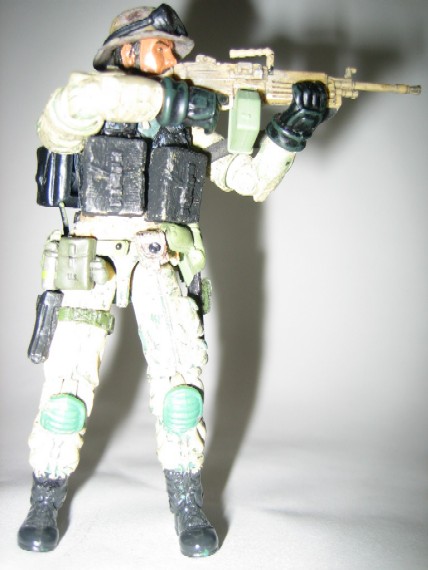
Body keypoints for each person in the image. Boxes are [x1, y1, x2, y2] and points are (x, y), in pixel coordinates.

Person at [18, 4, 327, 557]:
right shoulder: (88, 104)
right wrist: (165, 101)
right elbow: (70, 108)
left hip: (158, 257)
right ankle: (45, 496)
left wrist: (290, 131)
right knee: (66, 391)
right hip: (90, 257)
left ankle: (186, 499)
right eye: (159, 48)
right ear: (126, 52)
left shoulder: (185, 124)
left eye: (173, 51)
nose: (170, 59)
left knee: (181, 391)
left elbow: (247, 178)